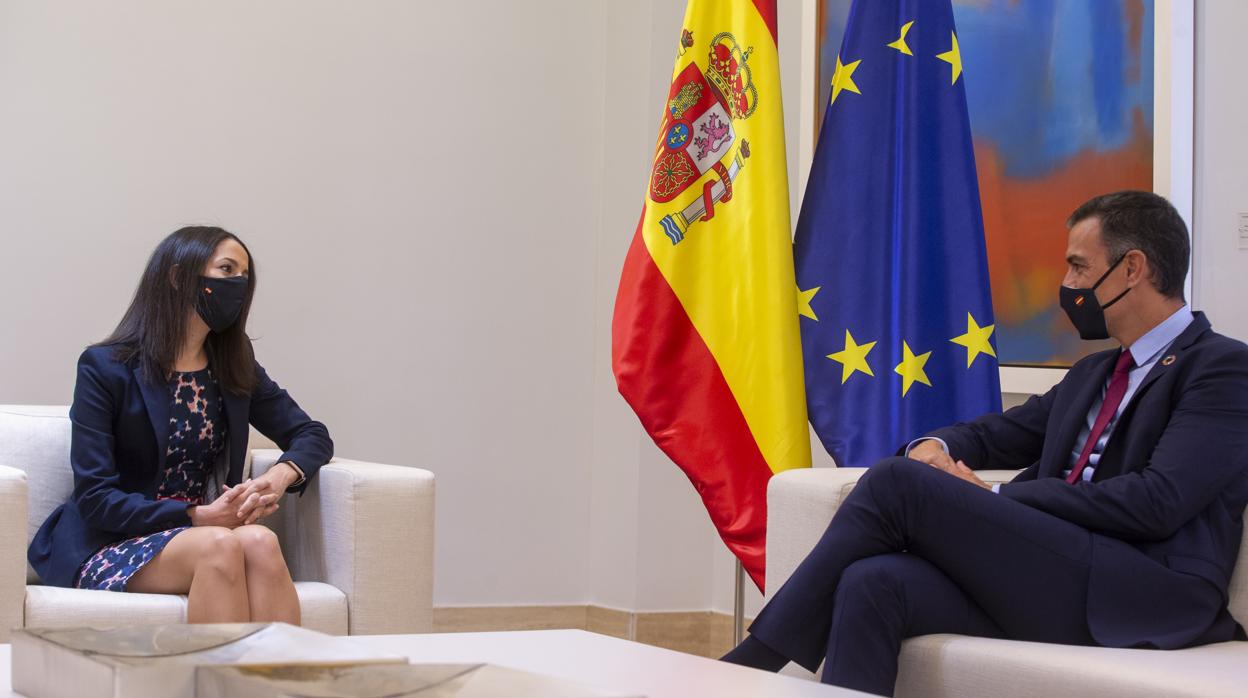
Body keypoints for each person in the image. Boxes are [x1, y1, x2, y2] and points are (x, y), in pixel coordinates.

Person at [722, 191, 1248, 695]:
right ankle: (759, 666)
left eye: (1079, 267)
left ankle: (752, 665)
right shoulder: (1096, 372)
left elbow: (1157, 502)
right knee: (874, 580)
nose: (1067, 284)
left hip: (1142, 587)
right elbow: (1000, 433)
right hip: (1058, 570)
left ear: (1132, 269)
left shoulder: (1221, 367)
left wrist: (993, 498)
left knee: (897, 485)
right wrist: (932, 446)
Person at [28, 226, 333, 625]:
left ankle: (284, 684)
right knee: (219, 546)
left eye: (243, 275)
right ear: (177, 277)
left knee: (260, 540)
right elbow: (96, 497)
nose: (237, 285)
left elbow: (311, 434)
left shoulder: (234, 364)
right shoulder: (106, 368)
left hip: (207, 533)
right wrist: (196, 516)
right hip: (111, 540)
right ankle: (210, 686)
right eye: (226, 270)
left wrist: (279, 477)